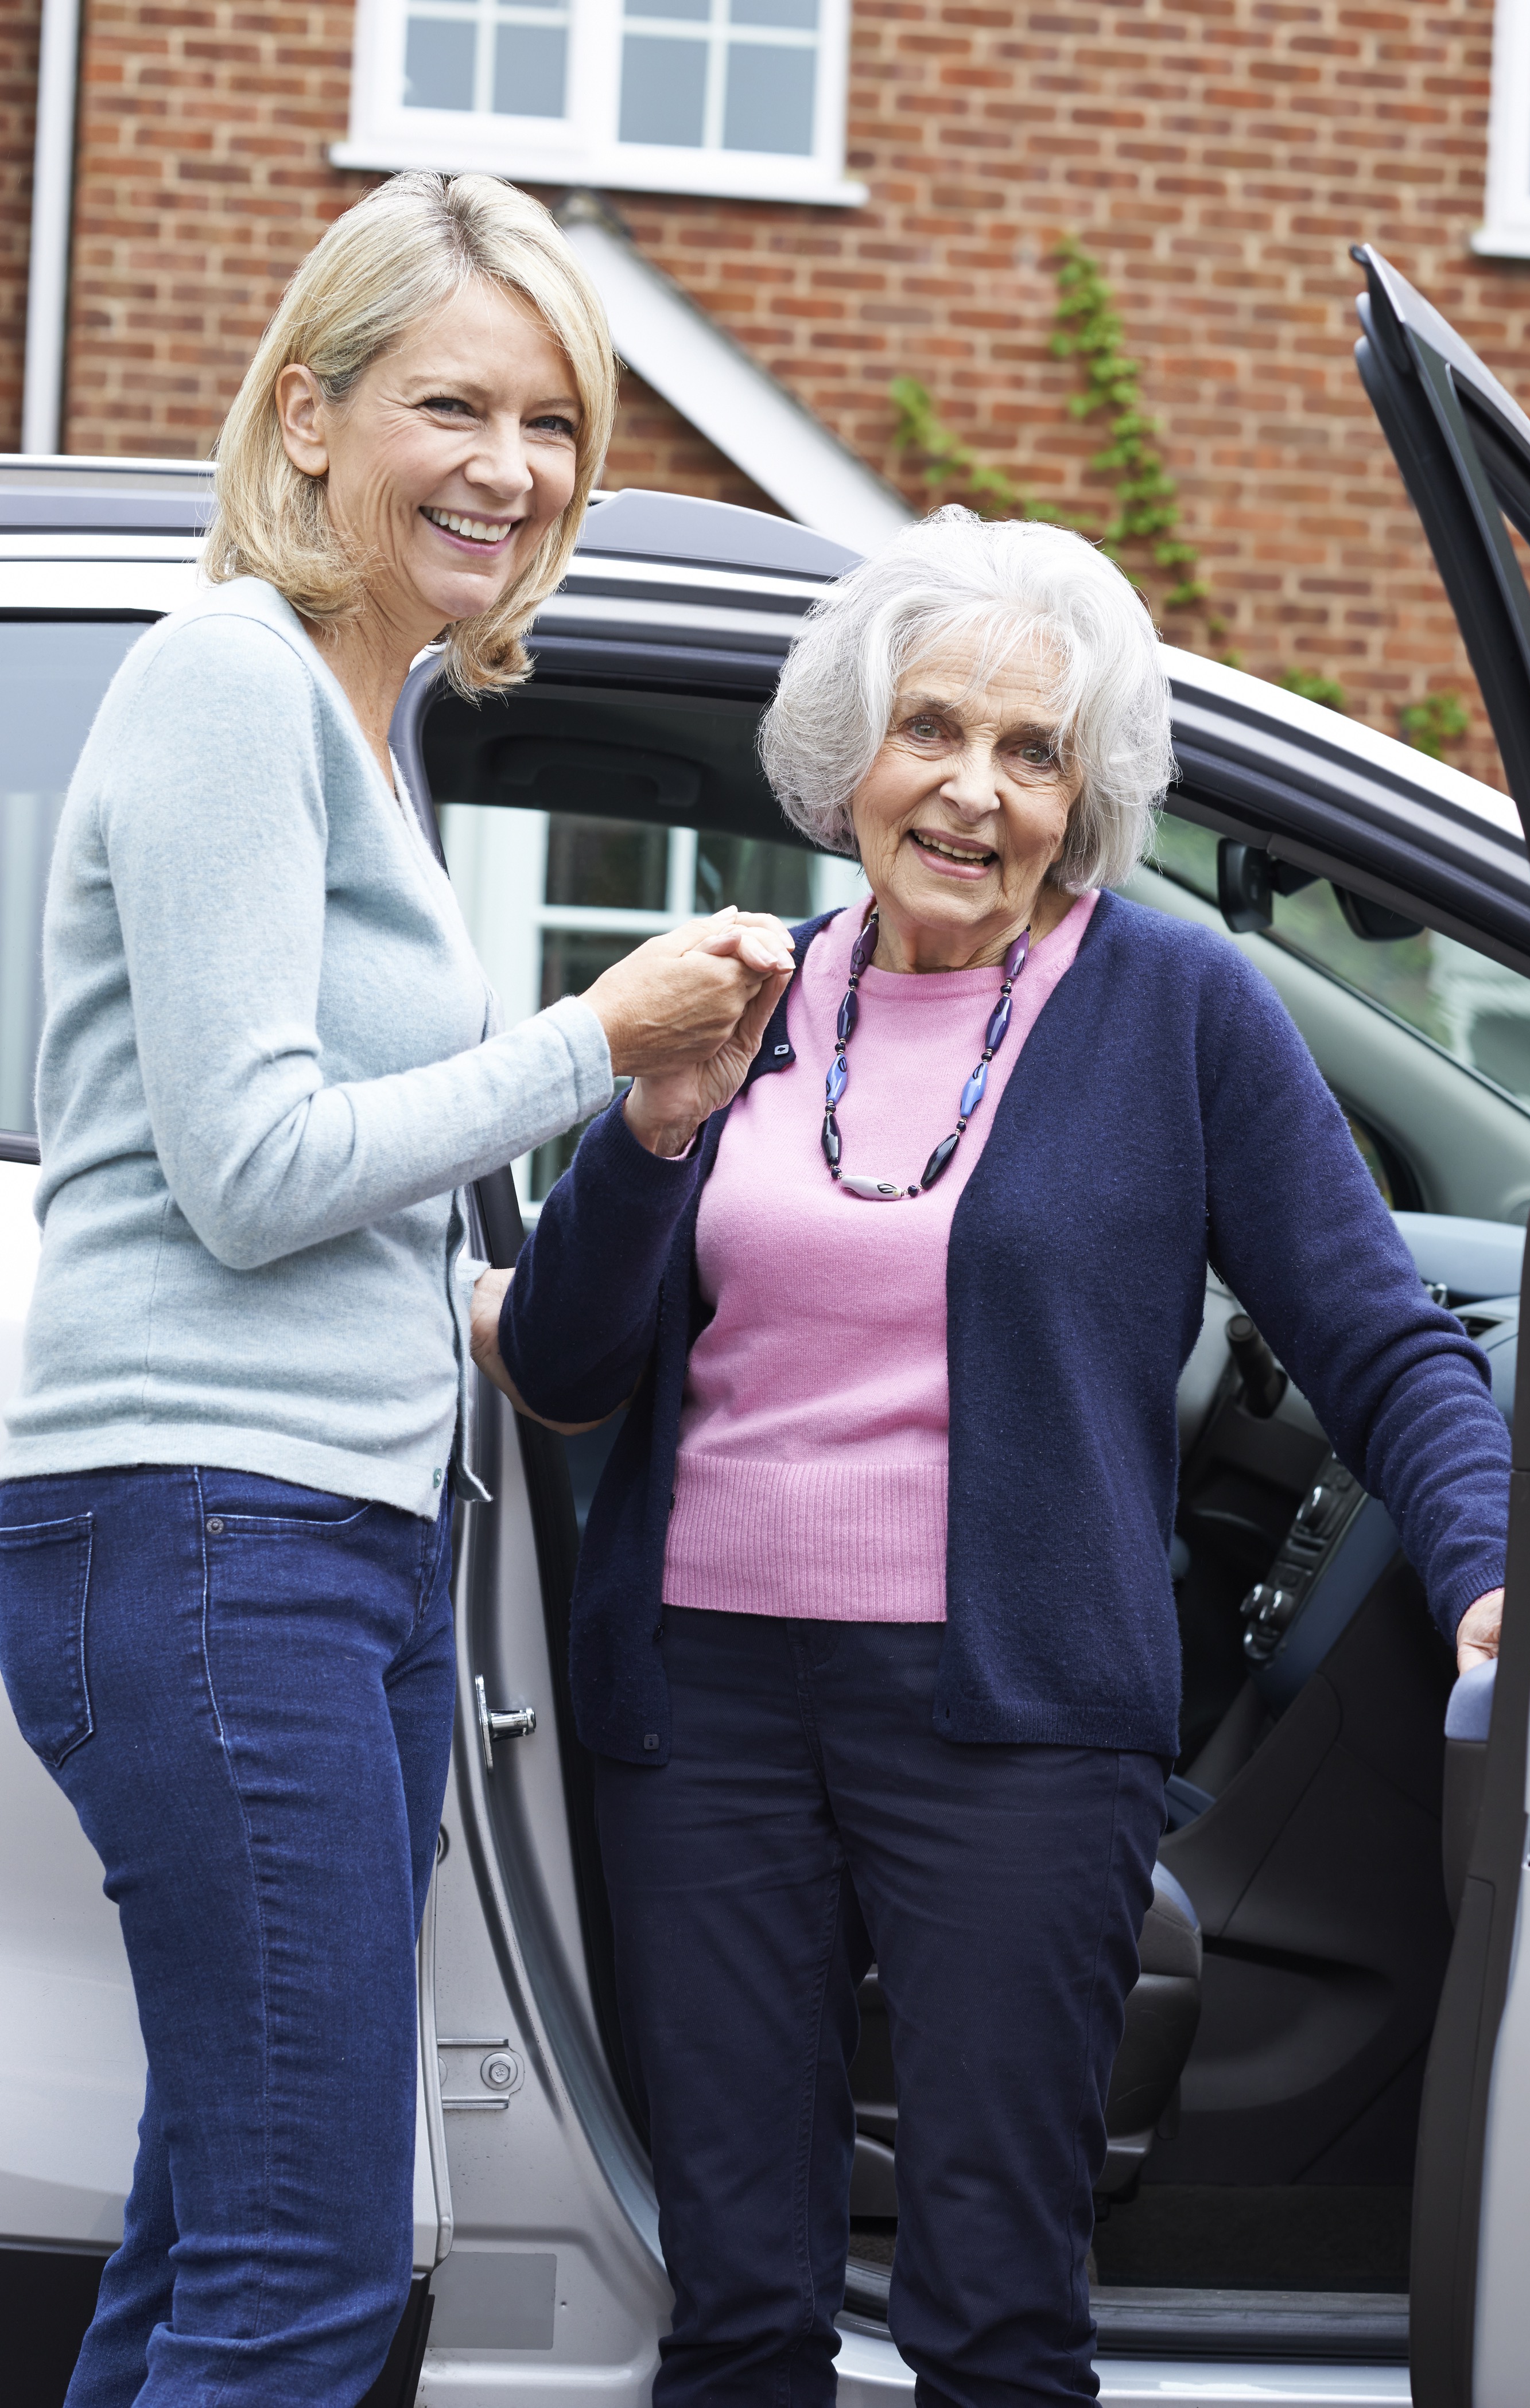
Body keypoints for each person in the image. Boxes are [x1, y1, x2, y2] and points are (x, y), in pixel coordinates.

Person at [473, 507, 1509, 2405]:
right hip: (696, 1711)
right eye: (927, 729)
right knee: (738, 2307)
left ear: (1085, 792)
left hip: (1016, 1727)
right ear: (847, 757)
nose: (969, 792)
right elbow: (560, 1360)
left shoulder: (1177, 1011)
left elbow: (1374, 1330)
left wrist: (1490, 1575)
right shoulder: (737, 992)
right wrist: (645, 1126)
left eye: (1030, 752)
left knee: (995, 2311)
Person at [0, 172, 785, 2407]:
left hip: (310, 1539)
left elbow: (281, 1185)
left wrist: (567, 1203)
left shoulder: (360, 724)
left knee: (201, 2246)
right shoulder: (230, 686)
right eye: (453, 401)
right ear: (315, 411)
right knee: (308, 2279)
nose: (508, 468)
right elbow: (247, 1177)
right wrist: (590, 1036)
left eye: (550, 422)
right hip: (212, 1537)